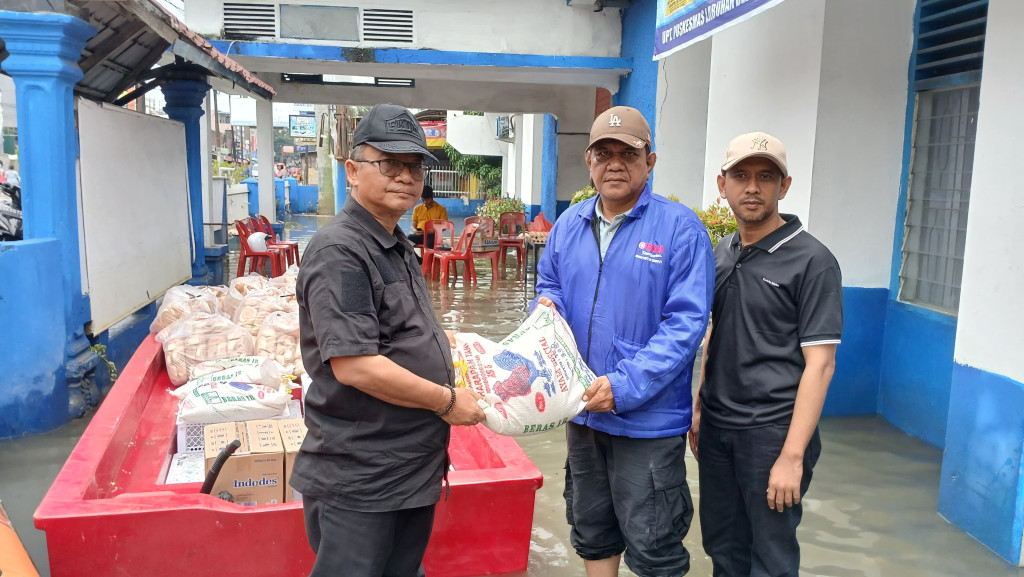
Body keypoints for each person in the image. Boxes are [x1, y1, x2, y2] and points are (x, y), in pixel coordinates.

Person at [292, 102, 486, 577]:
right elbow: (355, 365)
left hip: (408, 467)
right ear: (352, 171)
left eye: (415, 166)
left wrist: (448, 344)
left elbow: (395, 332)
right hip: (362, 475)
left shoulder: (396, 244)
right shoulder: (341, 251)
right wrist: (447, 401)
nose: (405, 176)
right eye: (390, 164)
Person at [533, 105, 715, 577]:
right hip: (582, 411)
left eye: (628, 154)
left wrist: (624, 386)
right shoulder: (569, 224)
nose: (615, 164)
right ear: (589, 161)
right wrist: (545, 309)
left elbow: (686, 325)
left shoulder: (681, 229)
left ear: (649, 162)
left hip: (648, 422)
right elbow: (550, 284)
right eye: (604, 154)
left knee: (655, 546)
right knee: (592, 530)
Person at [689, 132, 843, 577]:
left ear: (784, 185)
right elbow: (716, 331)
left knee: (771, 558)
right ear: (723, 186)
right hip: (718, 427)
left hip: (773, 432)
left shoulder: (813, 261)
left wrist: (792, 456)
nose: (752, 187)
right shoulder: (722, 252)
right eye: (741, 176)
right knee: (723, 547)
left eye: (765, 177)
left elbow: (821, 364)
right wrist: (699, 408)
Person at [407, 184, 447, 249]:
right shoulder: (417, 209)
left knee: (429, 244)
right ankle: (416, 256)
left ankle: (428, 255)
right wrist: (415, 231)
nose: (425, 202)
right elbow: (413, 225)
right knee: (407, 240)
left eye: (427, 200)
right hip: (420, 236)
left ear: (432, 197)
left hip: (433, 236)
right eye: (423, 200)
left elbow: (444, 227)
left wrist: (428, 231)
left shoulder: (441, 209)